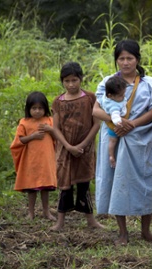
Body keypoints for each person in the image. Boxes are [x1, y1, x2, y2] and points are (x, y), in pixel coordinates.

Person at [92, 39, 152, 246]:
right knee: (116, 181)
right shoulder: (108, 81)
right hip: (115, 136)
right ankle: (122, 233)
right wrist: (115, 122)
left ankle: (146, 231)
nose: (125, 62)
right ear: (116, 61)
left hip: (140, 139)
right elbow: (95, 110)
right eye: (121, 58)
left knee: (145, 180)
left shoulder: (150, 84)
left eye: (129, 58)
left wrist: (131, 123)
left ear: (137, 60)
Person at [50, 61, 104, 231]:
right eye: (67, 81)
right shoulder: (58, 102)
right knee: (65, 185)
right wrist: (68, 146)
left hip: (85, 149)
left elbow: (96, 124)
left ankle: (91, 220)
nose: (71, 84)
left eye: (74, 80)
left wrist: (83, 144)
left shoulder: (89, 98)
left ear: (81, 79)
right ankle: (60, 222)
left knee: (84, 184)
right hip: (65, 150)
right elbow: (55, 128)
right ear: (62, 82)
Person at [10, 91, 57, 221]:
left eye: (40, 108)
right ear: (28, 109)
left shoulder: (49, 121)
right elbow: (19, 140)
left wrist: (50, 130)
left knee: (45, 188)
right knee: (31, 188)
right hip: (31, 161)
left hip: (46, 160)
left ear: (45, 109)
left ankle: (46, 212)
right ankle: (31, 213)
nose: (37, 111)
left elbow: (57, 138)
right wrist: (33, 136)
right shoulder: (24, 122)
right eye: (34, 108)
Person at [100, 76, 128, 168]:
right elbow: (115, 116)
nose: (123, 96)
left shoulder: (107, 97)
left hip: (113, 124)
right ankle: (111, 156)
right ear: (110, 96)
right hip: (114, 126)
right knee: (113, 141)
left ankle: (112, 155)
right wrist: (119, 122)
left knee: (112, 141)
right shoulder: (114, 106)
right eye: (121, 95)